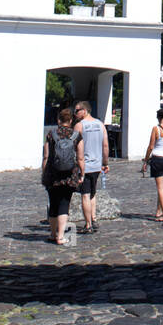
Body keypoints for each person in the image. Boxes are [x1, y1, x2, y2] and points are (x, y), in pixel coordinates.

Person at [41, 106, 84, 244]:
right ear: (71, 120)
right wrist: (81, 173)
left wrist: (44, 173)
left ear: (58, 120)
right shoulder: (76, 136)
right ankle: (61, 236)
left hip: (53, 175)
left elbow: (46, 156)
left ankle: (52, 234)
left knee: (53, 204)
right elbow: (80, 158)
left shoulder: (51, 134)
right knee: (64, 205)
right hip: (69, 175)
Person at [74, 100, 109, 234]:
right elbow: (105, 146)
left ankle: (88, 224)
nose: (75, 113)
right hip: (96, 165)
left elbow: (75, 147)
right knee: (93, 193)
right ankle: (93, 218)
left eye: (77, 110)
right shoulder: (100, 125)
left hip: (85, 165)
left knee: (85, 195)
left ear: (84, 110)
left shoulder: (80, 126)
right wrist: (105, 163)